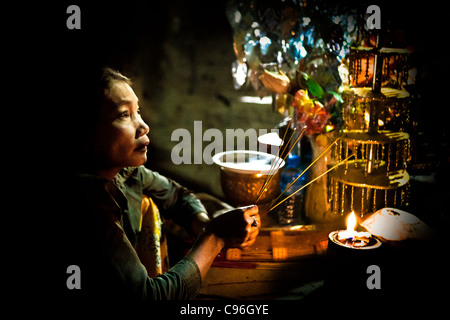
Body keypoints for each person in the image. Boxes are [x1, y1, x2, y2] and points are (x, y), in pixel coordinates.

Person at [62, 67, 260, 300]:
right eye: (124, 115)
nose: (144, 126)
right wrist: (215, 237)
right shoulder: (88, 203)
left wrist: (203, 225)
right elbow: (150, 298)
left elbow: (177, 196)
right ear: (84, 135)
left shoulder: (127, 171)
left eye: (138, 111)